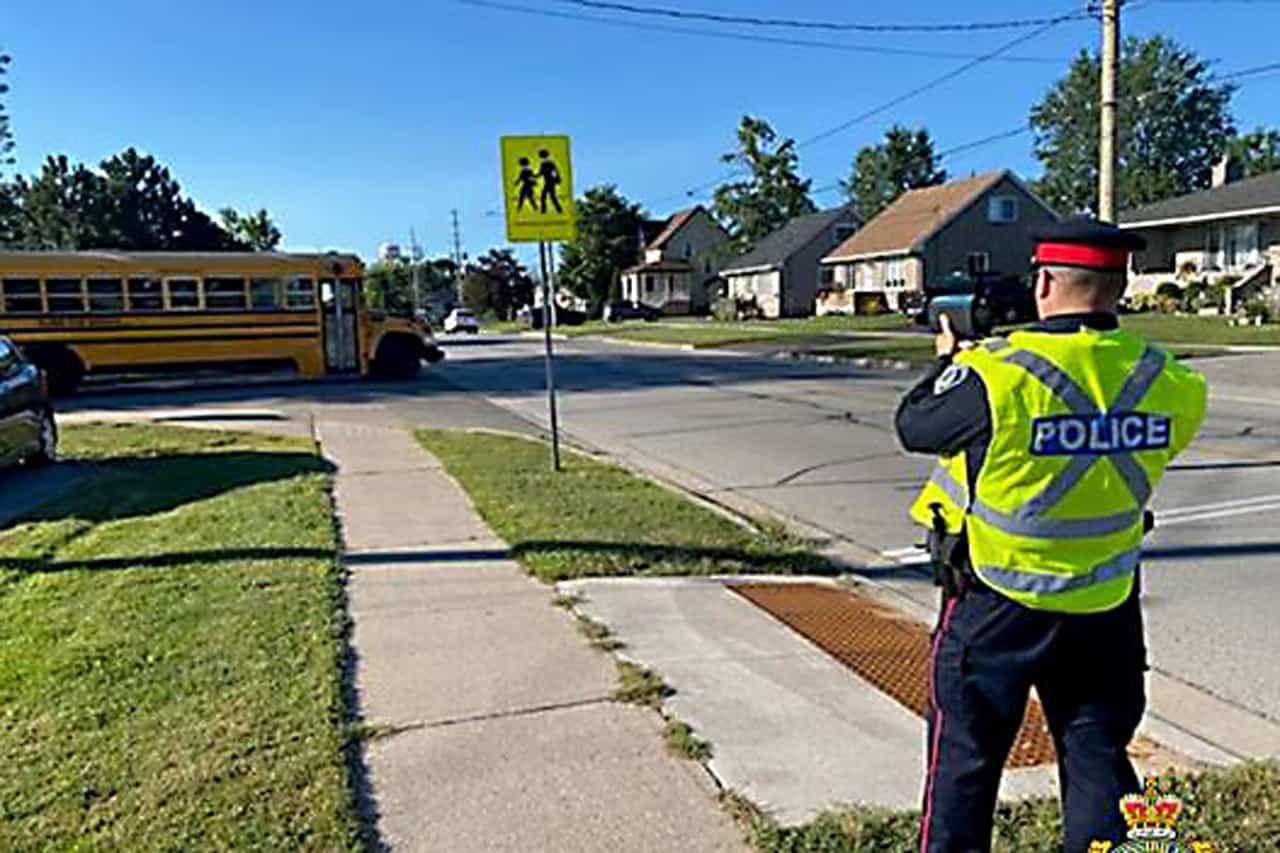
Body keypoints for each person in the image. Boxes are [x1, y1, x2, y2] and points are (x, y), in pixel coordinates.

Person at [895, 219, 1207, 853]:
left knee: (966, 764)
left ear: (1043, 284)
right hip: (1105, 606)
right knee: (1097, 754)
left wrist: (952, 362)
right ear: (1119, 287)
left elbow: (916, 425)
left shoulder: (997, 374)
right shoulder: (1170, 381)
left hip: (994, 603)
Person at [537, 149, 563, 214]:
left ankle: (544, 211)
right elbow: (554, 171)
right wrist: (557, 179)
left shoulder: (546, 163)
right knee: (551, 196)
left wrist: (534, 176)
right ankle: (559, 209)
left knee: (545, 196)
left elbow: (541, 173)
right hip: (550, 182)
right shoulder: (548, 163)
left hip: (550, 182)